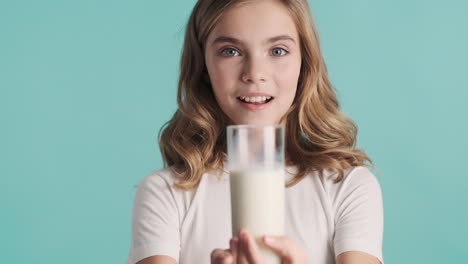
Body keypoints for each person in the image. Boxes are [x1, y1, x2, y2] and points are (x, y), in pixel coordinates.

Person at [126, 0, 384, 263]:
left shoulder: (346, 186)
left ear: (304, 64)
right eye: (230, 51)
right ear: (203, 66)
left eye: (278, 51)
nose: (255, 73)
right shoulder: (166, 192)